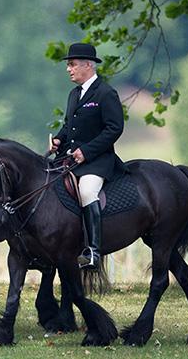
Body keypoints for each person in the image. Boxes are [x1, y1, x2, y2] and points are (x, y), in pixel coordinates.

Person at [50, 43, 125, 269]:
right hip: (71, 159)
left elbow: (114, 128)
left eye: (72, 65)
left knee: (86, 190)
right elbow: (68, 126)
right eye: (68, 65)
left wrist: (87, 151)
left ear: (88, 65)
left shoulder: (106, 93)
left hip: (97, 161)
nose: (68, 69)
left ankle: (92, 251)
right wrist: (59, 140)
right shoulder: (74, 94)